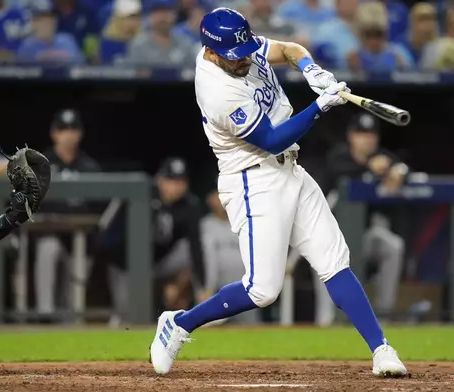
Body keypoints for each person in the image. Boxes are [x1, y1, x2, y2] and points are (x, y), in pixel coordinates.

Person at [149, 7, 407, 378]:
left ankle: (382, 349)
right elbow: (270, 140)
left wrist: (311, 69)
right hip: (253, 181)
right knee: (262, 290)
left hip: (291, 171)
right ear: (210, 52)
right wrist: (319, 106)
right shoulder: (217, 90)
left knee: (334, 261)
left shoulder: (238, 46)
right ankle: (180, 324)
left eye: (244, 52)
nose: (243, 61)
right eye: (234, 58)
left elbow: (287, 48)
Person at [317, 113, 409, 325]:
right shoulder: (339, 156)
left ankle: (384, 316)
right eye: (361, 134)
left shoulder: (382, 157)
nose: (367, 139)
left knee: (393, 246)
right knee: (326, 288)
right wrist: (369, 167)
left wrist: (398, 172)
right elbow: (338, 171)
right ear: (351, 136)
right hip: (330, 238)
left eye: (371, 134)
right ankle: (325, 322)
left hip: (364, 234)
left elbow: (404, 167)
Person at [108, 157, 204, 325]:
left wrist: (193, 285)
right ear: (160, 179)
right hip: (126, 264)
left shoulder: (189, 205)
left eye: (180, 181)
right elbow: (114, 239)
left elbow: (196, 247)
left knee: (186, 249)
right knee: (126, 316)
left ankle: (173, 299)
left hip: (158, 263)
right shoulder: (142, 195)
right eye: (171, 180)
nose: (175, 187)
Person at [34, 109, 101, 322]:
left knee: (79, 264)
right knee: (48, 248)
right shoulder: (40, 164)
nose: (68, 134)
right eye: (63, 129)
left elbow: (99, 210)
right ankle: (44, 316)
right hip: (48, 233)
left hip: (79, 240)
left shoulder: (89, 166)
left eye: (73, 129)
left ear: (79, 134)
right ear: (54, 133)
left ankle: (73, 321)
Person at [199, 187, 261, 325]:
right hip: (217, 289)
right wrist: (208, 287)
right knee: (211, 330)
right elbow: (207, 260)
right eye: (217, 194)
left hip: (248, 288)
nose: (222, 199)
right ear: (209, 199)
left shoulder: (247, 220)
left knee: (252, 329)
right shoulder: (205, 225)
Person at [124, 0, 197, 66]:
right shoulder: (138, 46)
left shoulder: (185, 43)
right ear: (150, 16)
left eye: (167, 12)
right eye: (158, 13)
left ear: (174, 15)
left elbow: (190, 73)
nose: (163, 17)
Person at [347, 1, 413, 73]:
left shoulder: (399, 56)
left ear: (385, 33)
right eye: (368, 35)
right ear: (361, 35)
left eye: (378, 34)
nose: (373, 40)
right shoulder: (353, 58)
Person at [17, 0, 84, 65]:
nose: (48, 22)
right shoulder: (27, 47)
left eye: (50, 17)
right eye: (42, 19)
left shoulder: (68, 41)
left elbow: (81, 69)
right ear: (34, 23)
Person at [99, 0, 142, 65]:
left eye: (137, 18)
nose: (134, 22)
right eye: (130, 18)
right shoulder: (108, 42)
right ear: (119, 19)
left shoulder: (144, 40)